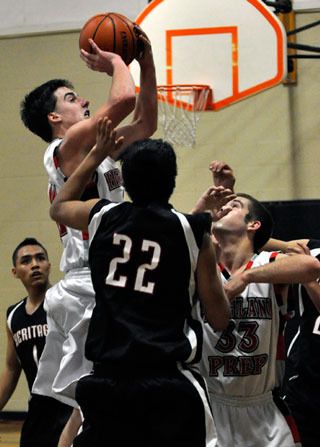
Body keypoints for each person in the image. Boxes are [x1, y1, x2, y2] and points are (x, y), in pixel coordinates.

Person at [49, 117, 231, 446]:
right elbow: (219, 318)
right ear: (172, 180)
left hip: (106, 382)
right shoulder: (193, 230)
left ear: (127, 182)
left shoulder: (104, 215)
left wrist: (97, 153)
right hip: (167, 382)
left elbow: (59, 207)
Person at [20, 28, 157, 443]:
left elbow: (145, 121)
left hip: (107, 276)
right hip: (88, 283)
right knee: (98, 398)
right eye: (70, 97)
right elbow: (123, 101)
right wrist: (117, 62)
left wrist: (146, 60)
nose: (82, 100)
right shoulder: (64, 148)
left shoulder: (95, 147)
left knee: (92, 404)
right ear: (54, 119)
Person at [193, 165, 320, 446]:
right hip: (211, 406)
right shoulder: (203, 267)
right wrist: (209, 208)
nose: (224, 209)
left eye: (234, 206)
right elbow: (178, 240)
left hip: (264, 409)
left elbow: (310, 265)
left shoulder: (267, 266)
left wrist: (246, 277)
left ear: (253, 225)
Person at [0, 238, 73, 447]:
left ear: (49, 265)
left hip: (68, 411)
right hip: (37, 416)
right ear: (15, 272)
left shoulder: (65, 303)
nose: (34, 264)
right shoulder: (13, 316)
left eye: (40, 258)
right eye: (26, 260)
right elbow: (11, 368)